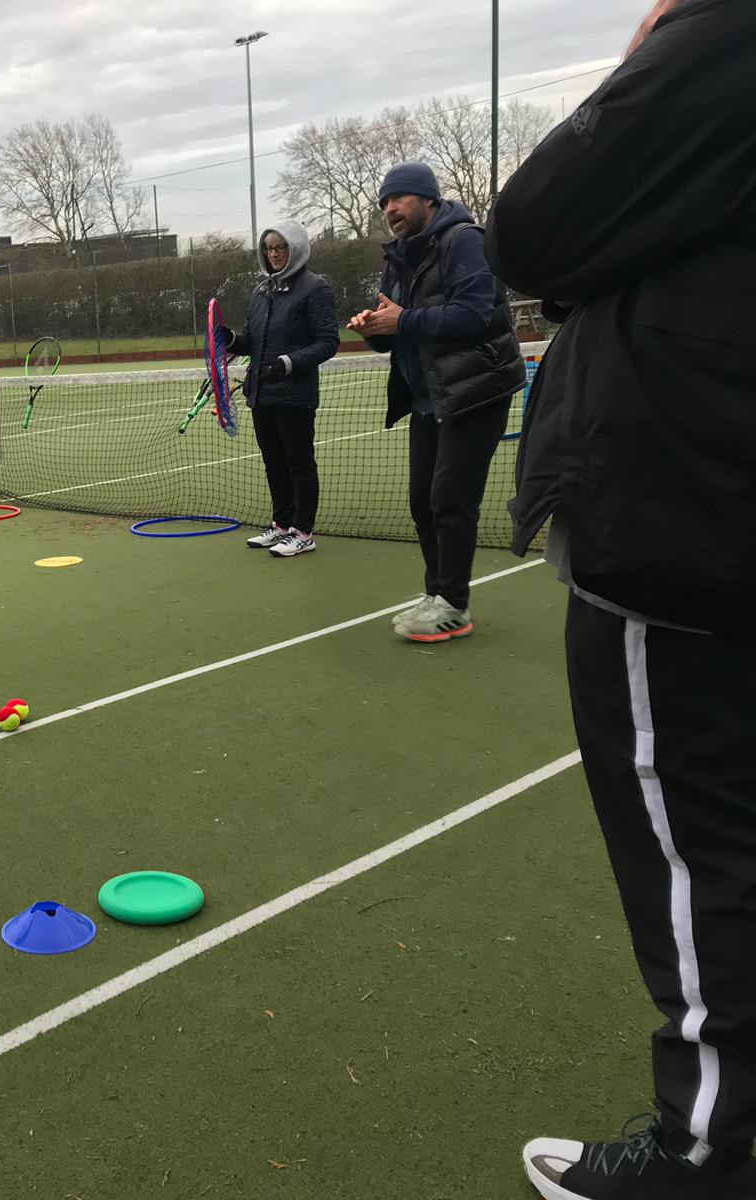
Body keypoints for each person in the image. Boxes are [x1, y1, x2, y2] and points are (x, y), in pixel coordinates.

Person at [484, 1, 756, 1196]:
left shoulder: (724, 34)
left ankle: (699, 1151)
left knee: (695, 850)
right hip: (712, 517)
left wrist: (663, 39)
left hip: (684, 528)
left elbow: (534, 231)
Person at [348, 162, 525, 642]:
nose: (390, 209)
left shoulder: (464, 241)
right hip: (428, 395)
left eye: (399, 198)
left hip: (477, 390)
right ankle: (437, 594)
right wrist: (374, 329)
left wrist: (402, 321)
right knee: (422, 501)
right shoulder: (397, 257)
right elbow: (396, 327)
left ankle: (454, 604)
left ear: (428, 199)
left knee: (451, 500)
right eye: (385, 202)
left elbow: (473, 314)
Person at [217, 221, 340, 557]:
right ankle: (282, 525)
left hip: (295, 394)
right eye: (269, 248)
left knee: (298, 462)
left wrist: (287, 363)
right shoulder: (262, 291)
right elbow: (253, 341)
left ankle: (303, 532)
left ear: (294, 248)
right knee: (273, 462)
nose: (273, 254)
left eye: (280, 247)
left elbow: (328, 342)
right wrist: (231, 340)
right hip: (262, 393)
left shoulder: (315, 288)